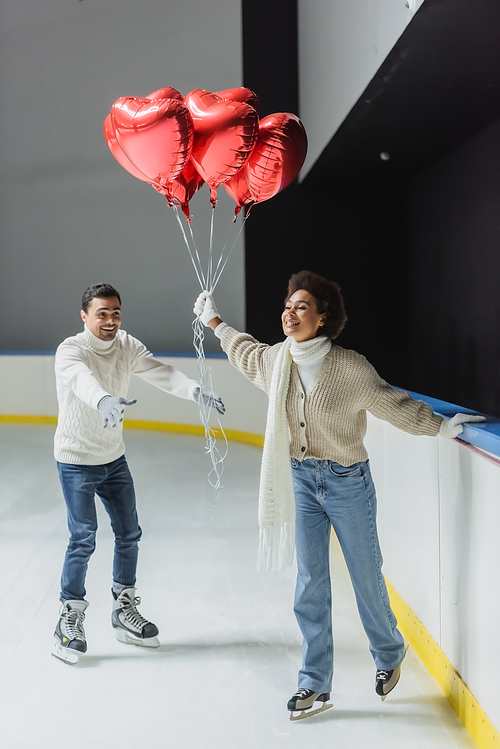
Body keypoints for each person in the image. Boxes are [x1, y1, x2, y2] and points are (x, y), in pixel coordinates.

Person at [193, 270, 484, 719]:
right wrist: (215, 323)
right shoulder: (277, 360)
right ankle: (314, 683)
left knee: (366, 578)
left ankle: (389, 653)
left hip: (347, 481)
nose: (290, 313)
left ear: (323, 318)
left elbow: (392, 404)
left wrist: (440, 426)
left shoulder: (350, 367)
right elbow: (245, 352)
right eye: (288, 306)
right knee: (310, 583)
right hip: (301, 481)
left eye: (302, 307)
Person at [53, 282, 224, 665]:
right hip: (76, 458)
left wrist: (194, 390)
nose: (110, 320)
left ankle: (123, 609)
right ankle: (69, 617)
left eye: (115, 312)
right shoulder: (70, 350)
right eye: (102, 314)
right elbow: (82, 381)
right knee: (83, 536)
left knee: (129, 533)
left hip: (113, 457)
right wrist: (102, 400)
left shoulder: (126, 345)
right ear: (84, 317)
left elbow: (159, 371)